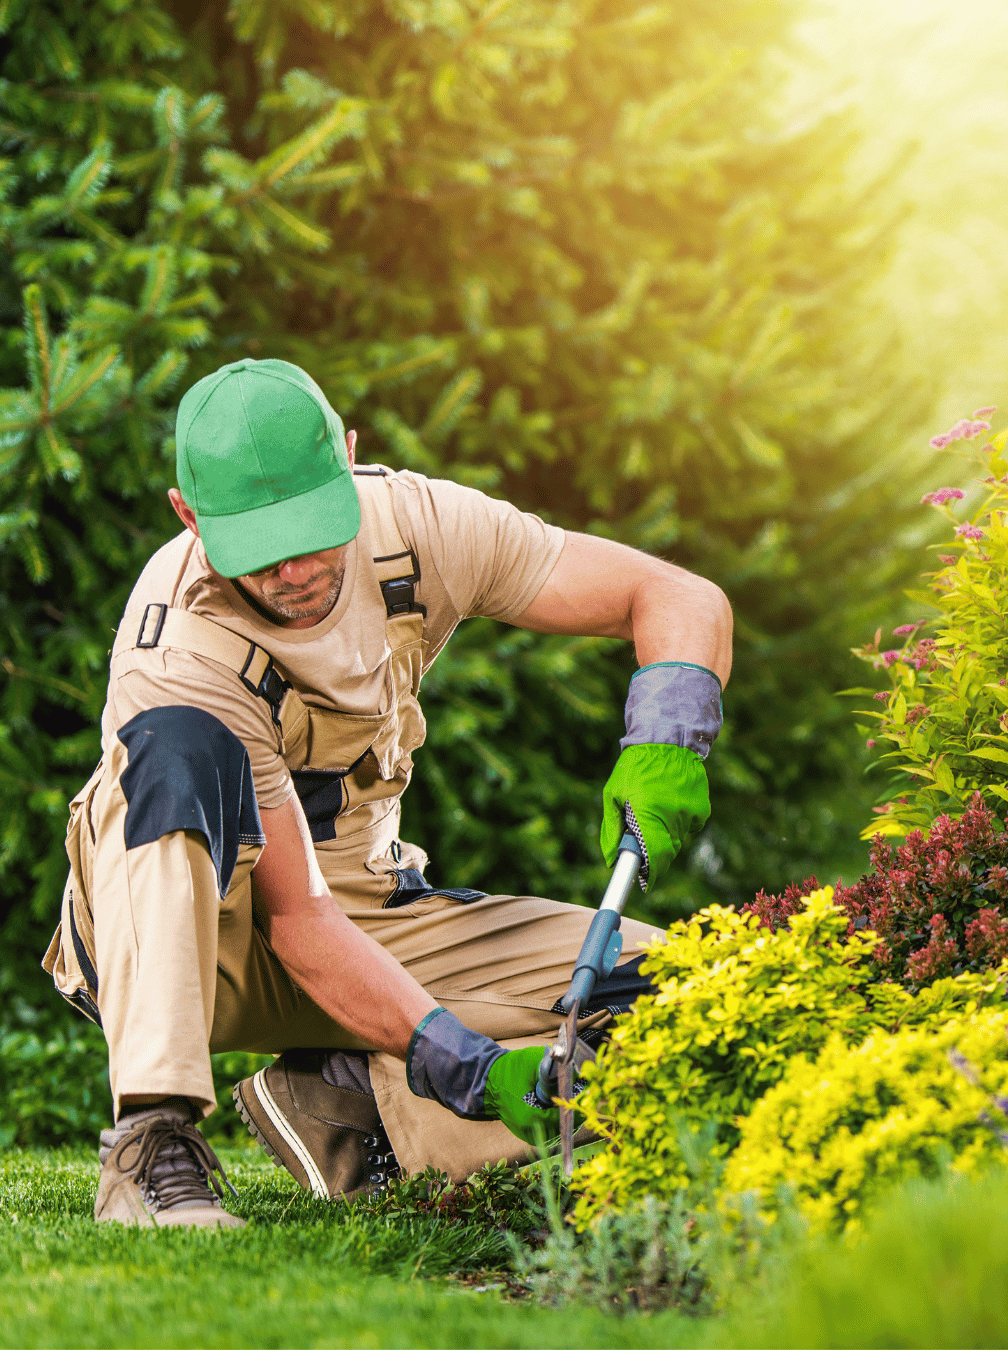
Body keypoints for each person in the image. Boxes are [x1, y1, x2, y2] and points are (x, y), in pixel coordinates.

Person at [43, 359, 731, 1229]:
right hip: (198, 943)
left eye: (312, 528)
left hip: (366, 912)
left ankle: (353, 1105)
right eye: (260, 545)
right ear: (188, 515)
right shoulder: (179, 647)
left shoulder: (419, 527)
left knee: (683, 989)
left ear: (351, 459)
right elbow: (295, 923)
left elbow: (672, 593)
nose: (295, 568)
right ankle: (152, 1146)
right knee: (173, 753)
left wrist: (668, 740)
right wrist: (463, 1060)